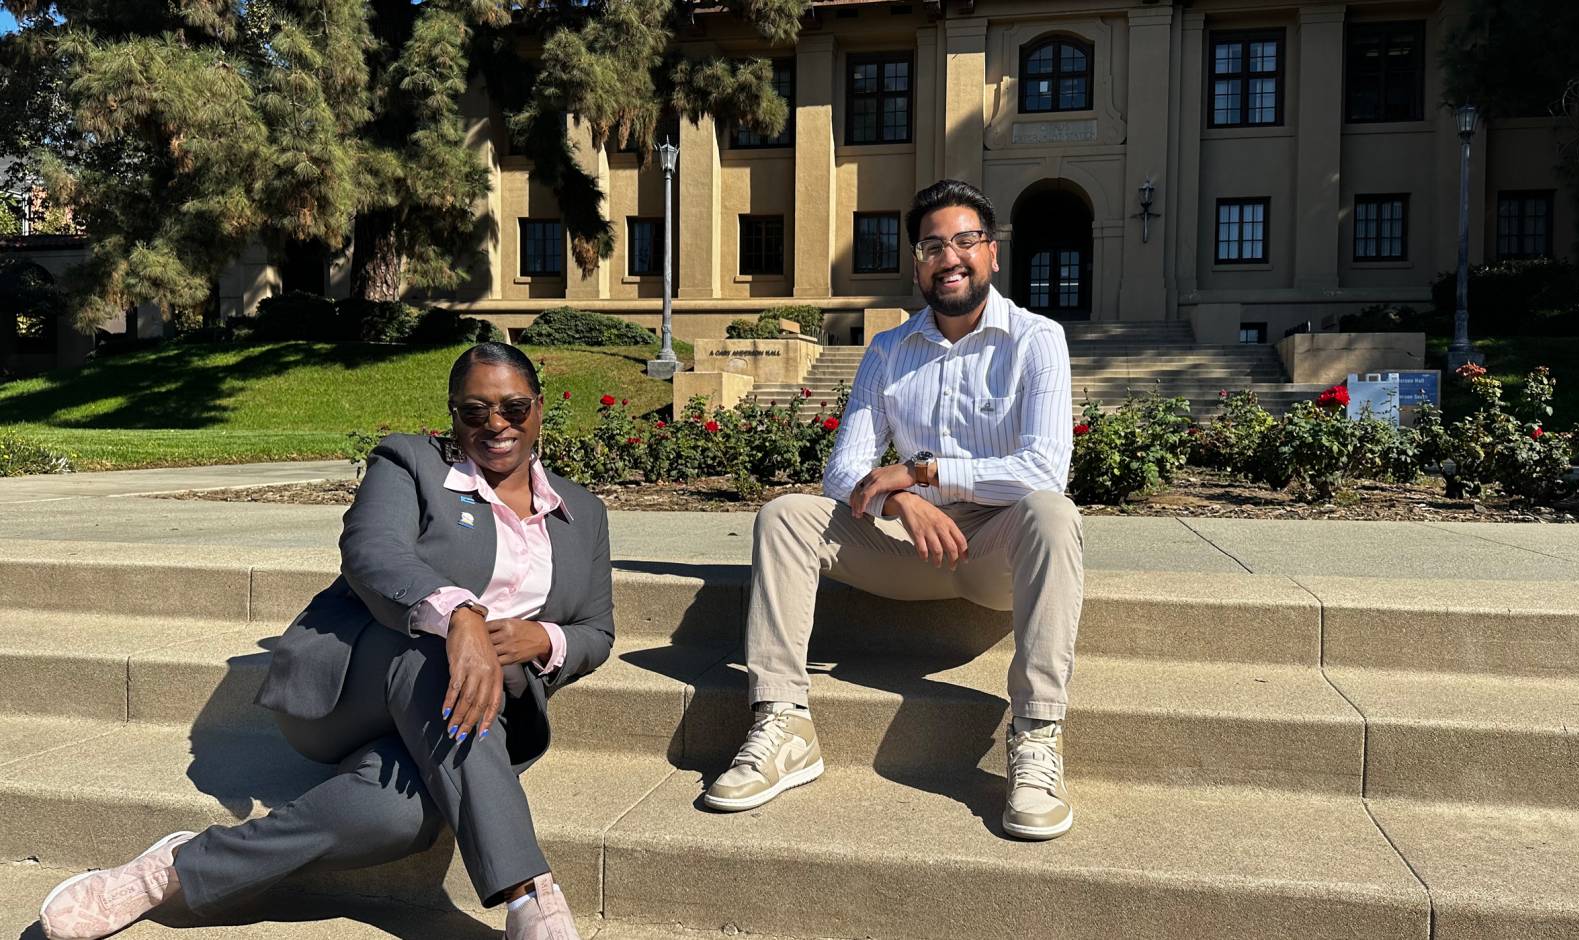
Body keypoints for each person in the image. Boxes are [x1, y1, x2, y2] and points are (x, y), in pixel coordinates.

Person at [39, 342, 614, 940]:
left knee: (398, 816)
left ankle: (171, 871)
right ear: (453, 414)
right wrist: (462, 615)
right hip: (352, 689)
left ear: (540, 409)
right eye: (475, 411)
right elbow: (372, 552)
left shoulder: (583, 513)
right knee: (435, 653)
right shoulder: (410, 464)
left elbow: (596, 633)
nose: (496, 425)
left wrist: (539, 638)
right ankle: (531, 898)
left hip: (460, 720)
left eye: (514, 408)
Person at [702, 179, 1083, 840]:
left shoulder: (1036, 339)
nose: (949, 256)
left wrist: (927, 471)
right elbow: (844, 470)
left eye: (965, 240)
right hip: (908, 549)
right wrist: (904, 500)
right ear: (917, 263)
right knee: (786, 516)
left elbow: (1043, 467)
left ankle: (1036, 736)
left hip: (997, 552)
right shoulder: (888, 350)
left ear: (991, 254)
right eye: (933, 245)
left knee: (1053, 512)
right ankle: (784, 722)